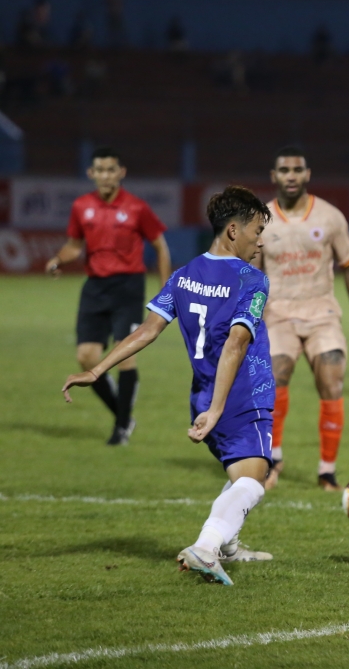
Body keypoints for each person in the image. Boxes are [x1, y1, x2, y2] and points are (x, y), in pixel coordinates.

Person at [62, 186, 276, 586]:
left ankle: (228, 545)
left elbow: (148, 330)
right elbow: (236, 342)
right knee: (253, 478)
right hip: (241, 394)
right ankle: (207, 547)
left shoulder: (185, 274)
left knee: (238, 470)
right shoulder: (252, 279)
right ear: (233, 230)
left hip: (202, 394)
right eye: (256, 230)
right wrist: (218, 408)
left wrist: (97, 370)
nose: (260, 239)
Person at [257, 146, 349, 492]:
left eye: (297, 170)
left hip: (321, 313)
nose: (291, 176)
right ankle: (273, 461)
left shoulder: (329, 217)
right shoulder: (259, 219)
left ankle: (327, 472)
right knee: (275, 379)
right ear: (273, 176)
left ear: (308, 174)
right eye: (284, 170)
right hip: (278, 314)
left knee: (332, 380)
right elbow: (250, 275)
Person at [46, 147, 172, 445]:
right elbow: (74, 246)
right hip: (95, 287)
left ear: (121, 173)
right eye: (99, 170)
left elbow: (161, 247)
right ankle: (124, 418)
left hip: (128, 287)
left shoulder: (137, 207)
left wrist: (166, 290)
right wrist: (58, 259)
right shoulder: (81, 206)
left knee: (125, 357)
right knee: (85, 357)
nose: (104, 175)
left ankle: (120, 430)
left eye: (110, 169)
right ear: (91, 174)